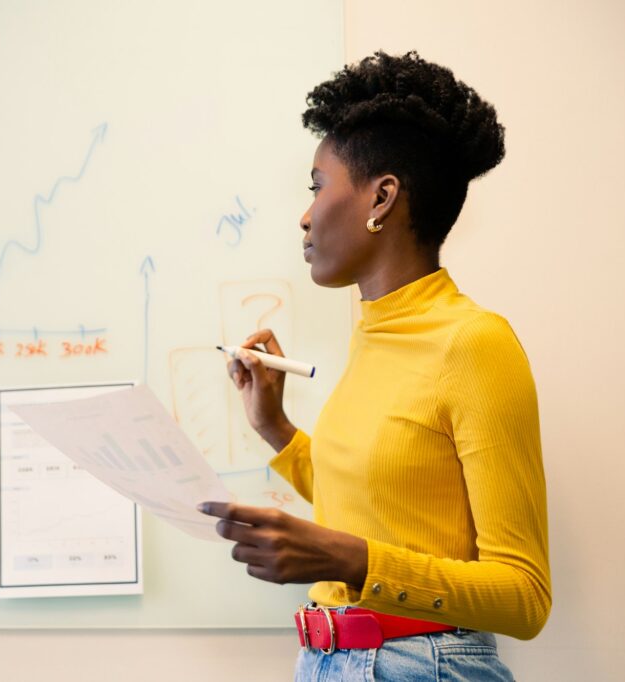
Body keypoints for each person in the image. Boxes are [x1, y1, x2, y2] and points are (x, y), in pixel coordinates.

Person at [198, 51, 550, 681]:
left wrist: (351, 559)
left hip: (421, 665)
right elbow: (376, 503)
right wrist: (274, 425)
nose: (305, 216)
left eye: (316, 186)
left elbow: (524, 597)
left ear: (381, 198)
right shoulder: (374, 335)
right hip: (328, 660)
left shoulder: (474, 343)